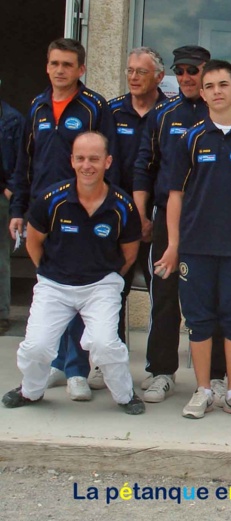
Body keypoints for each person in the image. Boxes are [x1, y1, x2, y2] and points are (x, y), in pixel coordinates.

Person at [154, 59, 231, 421]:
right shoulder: (190, 139)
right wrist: (173, 246)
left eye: (224, 84)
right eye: (210, 86)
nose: (217, 91)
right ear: (202, 93)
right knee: (199, 321)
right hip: (196, 247)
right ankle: (204, 390)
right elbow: (174, 196)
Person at [1, 131, 143, 415]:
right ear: (72, 161)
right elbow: (33, 242)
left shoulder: (123, 205)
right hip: (54, 284)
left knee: (105, 344)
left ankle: (125, 396)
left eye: (94, 158)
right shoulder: (51, 199)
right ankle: (31, 391)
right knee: (36, 347)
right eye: (80, 158)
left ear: (108, 161)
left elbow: (129, 253)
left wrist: (107, 279)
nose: (86, 165)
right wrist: (52, 273)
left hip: (100, 286)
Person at [10, 38, 116, 402]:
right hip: (44, 211)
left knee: (79, 286)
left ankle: (77, 369)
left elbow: (107, 159)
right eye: (54, 63)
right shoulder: (37, 106)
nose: (60, 70)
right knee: (52, 290)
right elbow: (25, 163)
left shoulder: (93, 107)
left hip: (84, 212)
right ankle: (56, 363)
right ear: (47, 66)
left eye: (68, 64)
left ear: (81, 69)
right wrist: (18, 210)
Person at [133, 45, 228, 404]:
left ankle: (217, 375)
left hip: (213, 221)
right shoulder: (163, 115)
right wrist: (141, 214)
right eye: (181, 71)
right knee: (165, 297)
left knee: (215, 299)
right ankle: (161, 371)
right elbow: (145, 166)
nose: (187, 77)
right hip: (166, 219)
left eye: (194, 71)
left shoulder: (223, 115)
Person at [107, 47, 166, 356]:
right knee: (113, 289)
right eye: (130, 70)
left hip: (158, 219)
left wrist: (151, 217)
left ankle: (156, 365)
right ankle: (110, 358)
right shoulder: (112, 111)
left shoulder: (168, 112)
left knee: (162, 293)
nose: (133, 77)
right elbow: (107, 164)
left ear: (159, 76)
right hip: (118, 218)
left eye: (140, 72)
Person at [0, 85, 25, 336]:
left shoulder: (12, 119)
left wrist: (10, 189)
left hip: (1, 196)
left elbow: (22, 158)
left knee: (0, 258)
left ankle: (1, 315)